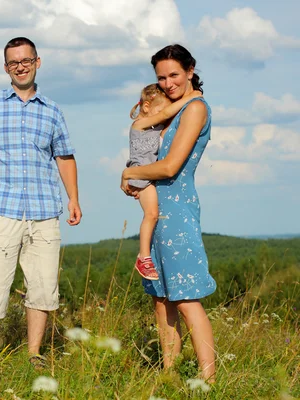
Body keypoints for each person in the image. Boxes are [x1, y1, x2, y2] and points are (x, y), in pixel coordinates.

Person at [0, 37, 81, 368]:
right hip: (2, 211)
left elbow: (64, 157)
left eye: (26, 60)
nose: (20, 67)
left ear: (38, 62)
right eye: (13, 63)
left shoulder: (52, 111)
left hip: (45, 212)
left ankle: (34, 353)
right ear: (5, 67)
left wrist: (73, 198)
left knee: (43, 287)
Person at [120, 44, 216, 382]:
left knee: (187, 298)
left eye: (174, 74)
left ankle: (209, 382)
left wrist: (130, 173)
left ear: (190, 70)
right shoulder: (176, 107)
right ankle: (169, 376)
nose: (167, 82)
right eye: (161, 77)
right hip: (157, 208)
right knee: (162, 300)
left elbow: (172, 165)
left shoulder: (195, 109)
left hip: (177, 210)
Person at [127, 84, 202, 280]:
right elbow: (166, 114)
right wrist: (192, 97)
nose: (163, 116)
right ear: (146, 108)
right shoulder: (139, 125)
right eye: (159, 111)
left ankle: (146, 255)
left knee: (152, 215)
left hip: (146, 176)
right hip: (141, 176)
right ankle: (143, 257)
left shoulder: (154, 127)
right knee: (151, 214)